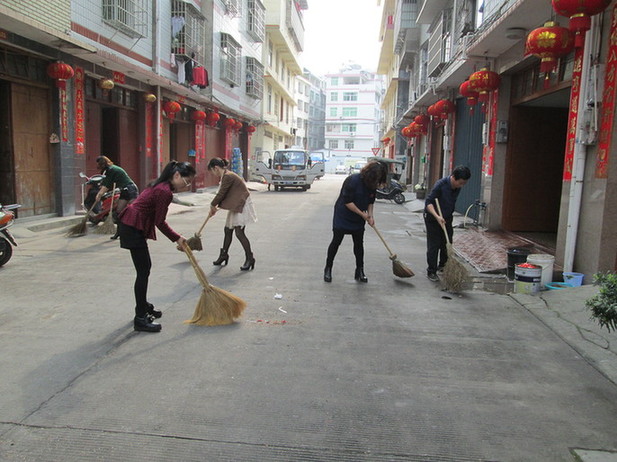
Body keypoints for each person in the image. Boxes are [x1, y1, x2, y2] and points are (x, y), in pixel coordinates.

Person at [118, 161, 196, 333]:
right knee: (143, 271)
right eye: (186, 180)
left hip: (132, 224)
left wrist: (177, 238)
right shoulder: (164, 192)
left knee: (145, 268)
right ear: (176, 176)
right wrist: (177, 238)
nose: (187, 185)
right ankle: (140, 318)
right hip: (132, 227)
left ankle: (144, 306)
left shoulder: (160, 185)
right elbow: (159, 222)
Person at [324, 161, 387, 283]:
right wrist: (363, 215)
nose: (377, 182)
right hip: (343, 214)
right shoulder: (352, 180)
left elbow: (370, 201)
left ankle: (360, 270)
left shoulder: (372, 184)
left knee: (358, 244)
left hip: (358, 217)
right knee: (336, 241)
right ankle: (328, 268)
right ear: (369, 174)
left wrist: (371, 216)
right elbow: (348, 202)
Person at [208, 157, 257, 271]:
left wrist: (212, 205)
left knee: (239, 232)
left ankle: (250, 258)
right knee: (227, 230)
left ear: (215, 168)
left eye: (212, 171)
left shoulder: (228, 176)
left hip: (242, 204)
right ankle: (224, 255)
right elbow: (225, 195)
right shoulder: (226, 175)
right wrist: (215, 207)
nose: (213, 174)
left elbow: (221, 194)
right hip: (236, 204)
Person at [424, 165, 471, 282]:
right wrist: (437, 217)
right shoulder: (440, 185)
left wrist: (445, 217)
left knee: (447, 242)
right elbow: (428, 203)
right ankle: (431, 271)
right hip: (433, 217)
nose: (461, 186)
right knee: (434, 244)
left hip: (447, 217)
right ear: (453, 177)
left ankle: (443, 266)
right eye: (460, 183)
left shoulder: (457, 187)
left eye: (464, 184)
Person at [95, 156, 139, 240]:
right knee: (119, 212)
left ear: (102, 164)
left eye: (98, 164)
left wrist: (99, 195)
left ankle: (137, 231)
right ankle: (119, 232)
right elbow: (106, 183)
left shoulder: (111, 170)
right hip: (124, 190)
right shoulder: (109, 170)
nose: (97, 166)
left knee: (135, 211)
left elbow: (106, 186)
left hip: (130, 189)